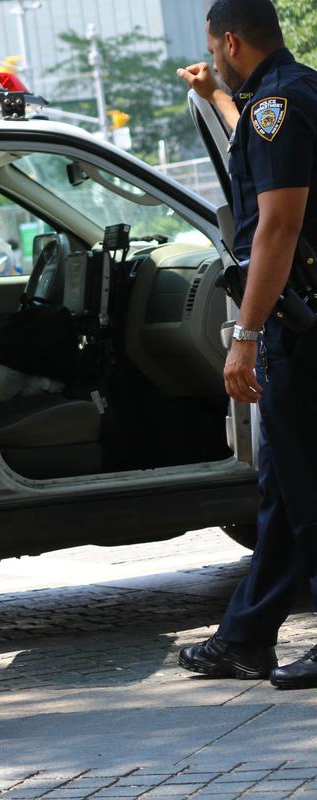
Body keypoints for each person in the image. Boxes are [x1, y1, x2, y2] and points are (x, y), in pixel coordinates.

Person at [176, 0, 317, 690]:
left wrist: (246, 335)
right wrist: (213, 98)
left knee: (305, 481)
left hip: (298, 326)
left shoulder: (278, 107)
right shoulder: (289, 96)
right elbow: (262, 156)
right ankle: (246, 637)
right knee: (283, 485)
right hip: (301, 321)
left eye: (214, 50)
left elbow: (277, 228)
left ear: (229, 40)